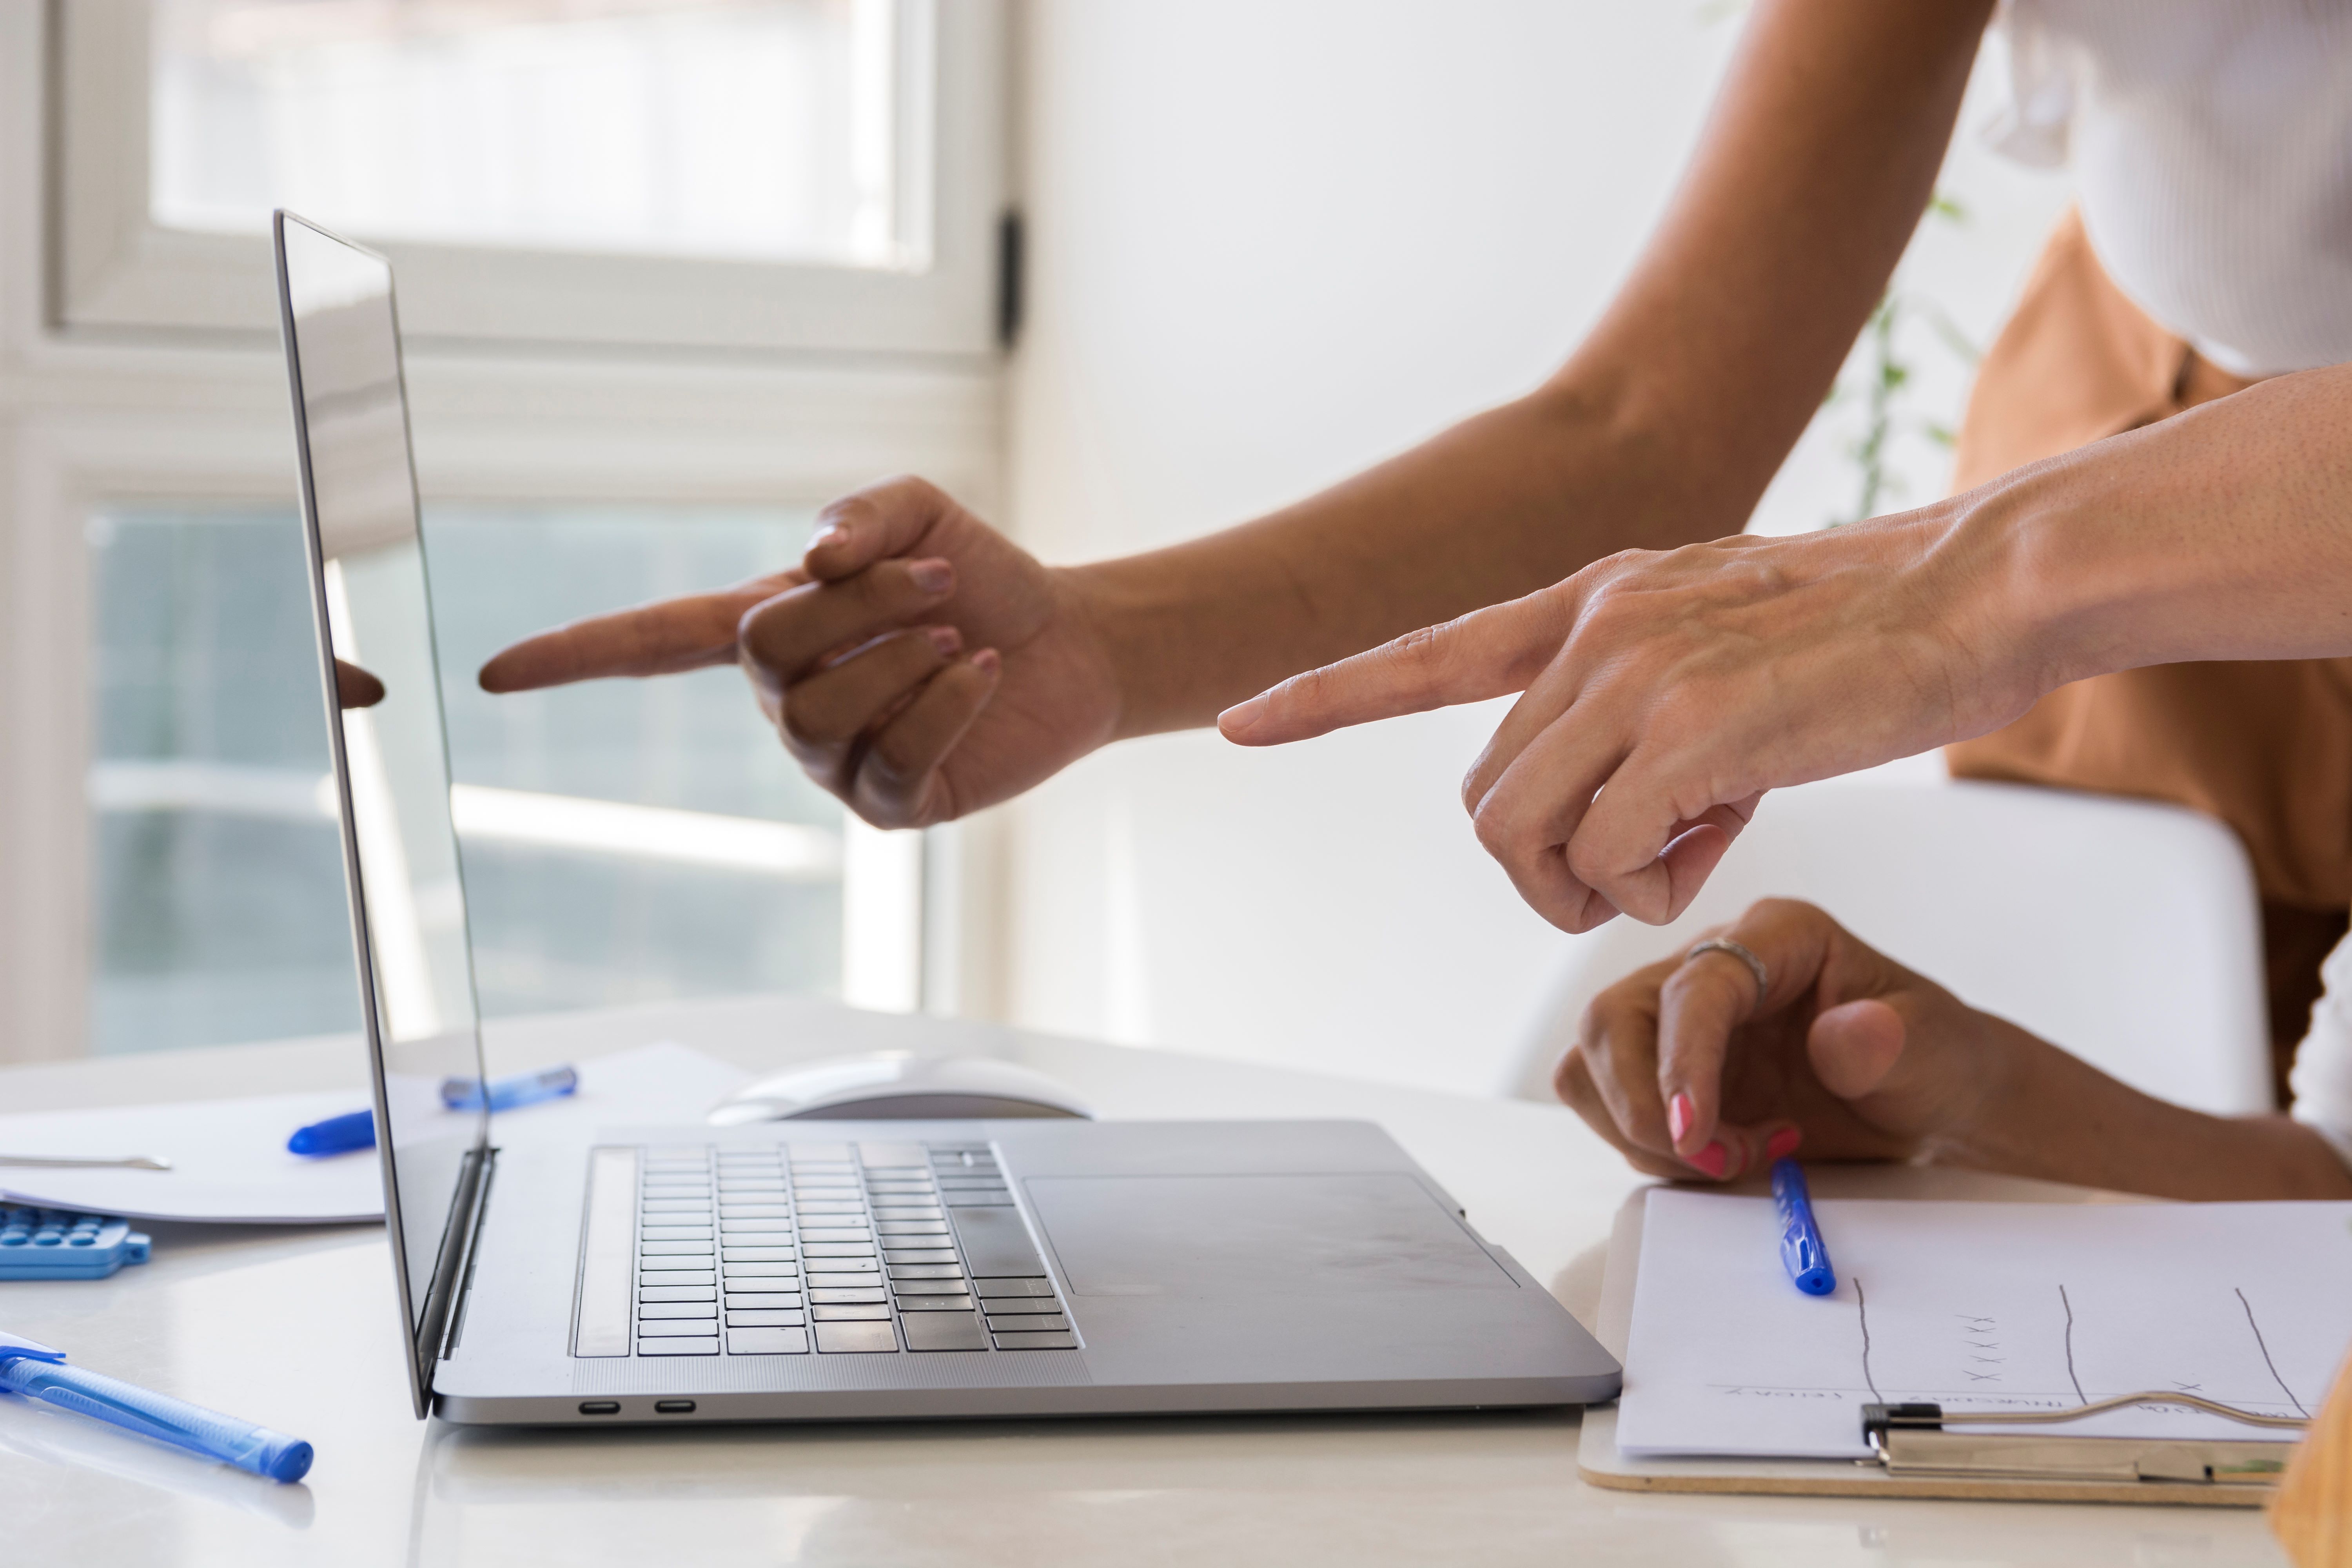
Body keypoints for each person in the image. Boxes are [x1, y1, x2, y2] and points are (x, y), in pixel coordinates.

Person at [478, 0, 2352, 1194]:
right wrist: (1102, 647)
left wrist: (1985, 574)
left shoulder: (2044, 552)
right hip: (2179, 434)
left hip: (2155, 501)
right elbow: (1640, 427)